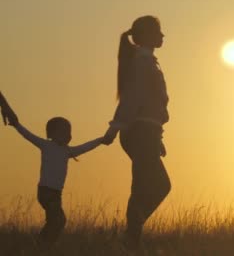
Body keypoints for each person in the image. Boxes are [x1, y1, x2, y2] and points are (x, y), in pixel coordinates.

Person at [1, 98, 107, 250]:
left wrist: (101, 140)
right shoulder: (46, 145)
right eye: (63, 131)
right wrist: (16, 124)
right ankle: (42, 245)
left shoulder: (67, 151)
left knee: (58, 221)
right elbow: (26, 134)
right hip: (46, 192)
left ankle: (44, 244)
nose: (67, 134)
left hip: (56, 193)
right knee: (57, 220)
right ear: (52, 133)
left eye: (68, 131)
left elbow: (85, 147)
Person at [104, 15, 171, 250]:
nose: (162, 36)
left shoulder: (148, 62)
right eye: (157, 32)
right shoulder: (142, 64)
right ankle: (130, 236)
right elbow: (132, 99)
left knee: (144, 185)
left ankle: (131, 239)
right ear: (144, 36)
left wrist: (157, 137)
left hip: (147, 133)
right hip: (140, 132)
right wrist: (114, 129)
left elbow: (148, 103)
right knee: (159, 185)